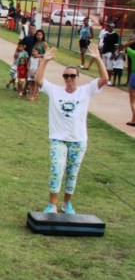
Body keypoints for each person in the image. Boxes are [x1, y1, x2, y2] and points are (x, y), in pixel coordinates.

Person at [36, 44, 108, 214]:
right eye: (66, 76)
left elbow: (104, 79)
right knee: (56, 169)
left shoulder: (85, 91)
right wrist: (45, 61)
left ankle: (67, 203)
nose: (69, 79)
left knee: (72, 172)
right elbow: (39, 81)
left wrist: (97, 59)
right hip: (58, 138)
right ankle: (52, 204)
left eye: (72, 76)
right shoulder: (55, 91)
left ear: (78, 77)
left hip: (78, 139)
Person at [124, 39, 135, 127]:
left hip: (134, 76)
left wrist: (133, 40)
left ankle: (133, 120)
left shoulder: (133, 53)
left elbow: (125, 45)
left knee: (132, 101)